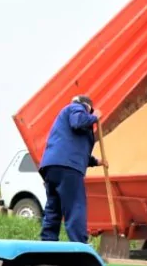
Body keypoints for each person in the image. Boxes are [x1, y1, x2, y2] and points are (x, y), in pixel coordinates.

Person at [38, 95, 100, 244]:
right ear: (88, 107)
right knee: (75, 205)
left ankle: (48, 243)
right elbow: (78, 122)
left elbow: (72, 148)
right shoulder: (76, 108)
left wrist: (96, 161)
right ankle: (79, 245)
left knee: (54, 208)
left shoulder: (64, 118)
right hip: (68, 168)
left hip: (52, 166)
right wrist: (95, 117)